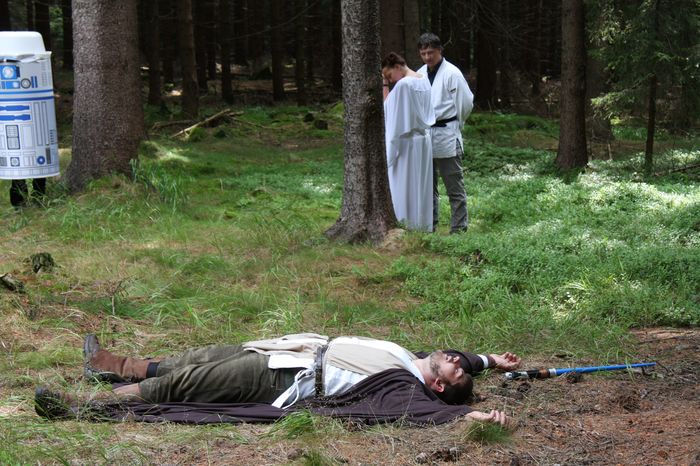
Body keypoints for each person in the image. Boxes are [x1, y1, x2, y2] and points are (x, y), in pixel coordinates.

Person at [36, 333, 521, 427]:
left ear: (440, 386)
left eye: (456, 368)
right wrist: (488, 360)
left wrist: (472, 415)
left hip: (284, 377)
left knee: (186, 385)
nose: (453, 359)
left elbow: (426, 413)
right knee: (196, 359)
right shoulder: (412, 360)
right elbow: (463, 359)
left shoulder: (404, 387)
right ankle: (109, 365)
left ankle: (80, 406)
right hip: (289, 349)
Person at [416, 33, 474, 234]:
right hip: (426, 135)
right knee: (427, 187)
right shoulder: (419, 74)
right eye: (423, 53)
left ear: (440, 50)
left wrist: (457, 123)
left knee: (454, 186)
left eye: (431, 52)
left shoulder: (452, 73)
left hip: (447, 133)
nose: (427, 57)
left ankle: (458, 229)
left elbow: (466, 103)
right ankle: (429, 226)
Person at [382, 52, 435, 232]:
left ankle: (405, 224)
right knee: (420, 187)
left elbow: (389, 112)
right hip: (423, 141)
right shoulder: (424, 79)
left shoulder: (404, 85)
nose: (390, 80)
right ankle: (422, 226)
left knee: (404, 186)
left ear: (397, 67)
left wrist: (390, 150)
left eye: (389, 75)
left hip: (406, 144)